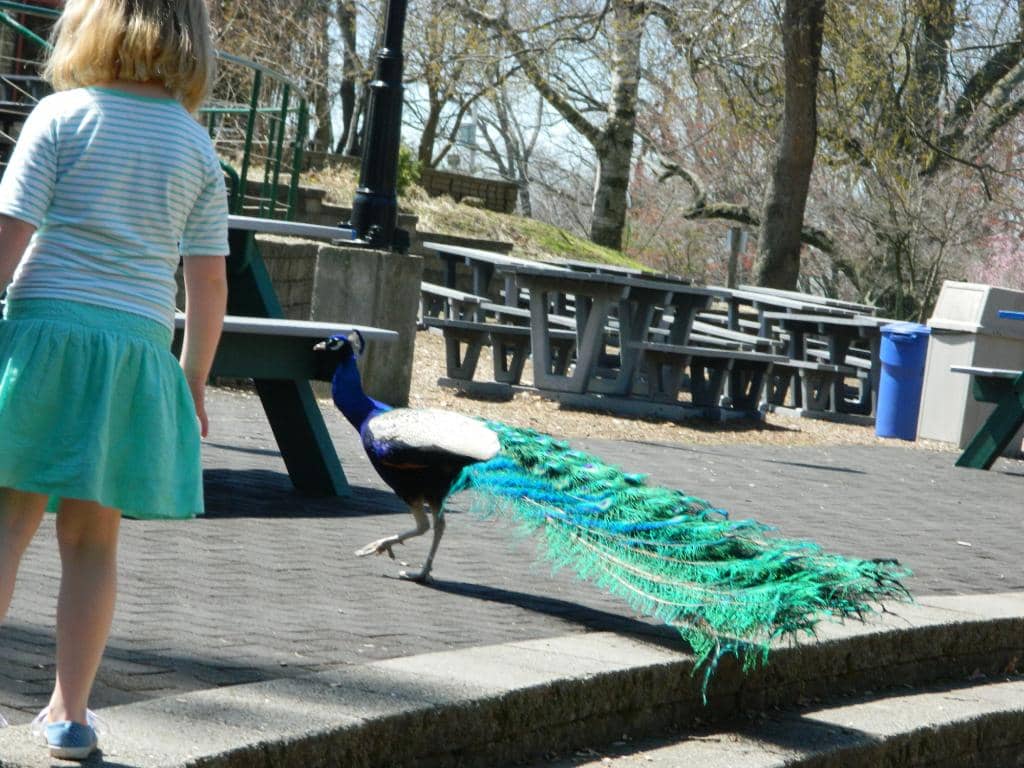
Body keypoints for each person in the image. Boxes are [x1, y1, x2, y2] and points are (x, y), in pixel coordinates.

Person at [0, 0, 228, 758]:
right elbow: (207, 288)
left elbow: (10, 234)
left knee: (7, 522)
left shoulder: (62, 115)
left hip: (44, 338)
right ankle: (70, 713)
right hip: (132, 353)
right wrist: (191, 379)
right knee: (94, 544)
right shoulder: (197, 147)